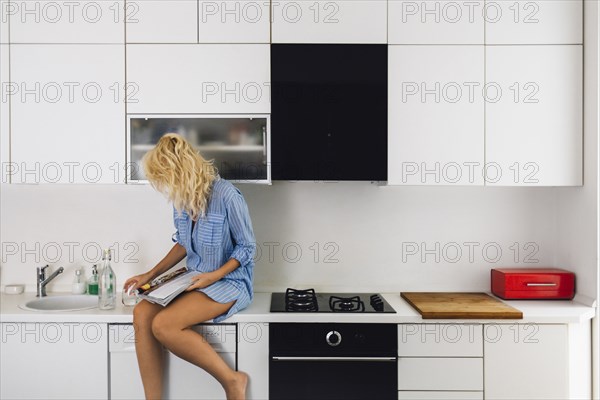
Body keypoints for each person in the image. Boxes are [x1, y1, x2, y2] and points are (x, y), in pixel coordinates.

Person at [124, 133, 255, 400]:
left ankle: (232, 380)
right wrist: (150, 274)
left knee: (164, 326)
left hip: (229, 283)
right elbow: (183, 243)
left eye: (166, 179)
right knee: (141, 314)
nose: (165, 187)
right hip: (193, 279)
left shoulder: (227, 196)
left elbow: (247, 248)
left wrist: (213, 276)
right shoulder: (182, 199)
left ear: (181, 172)